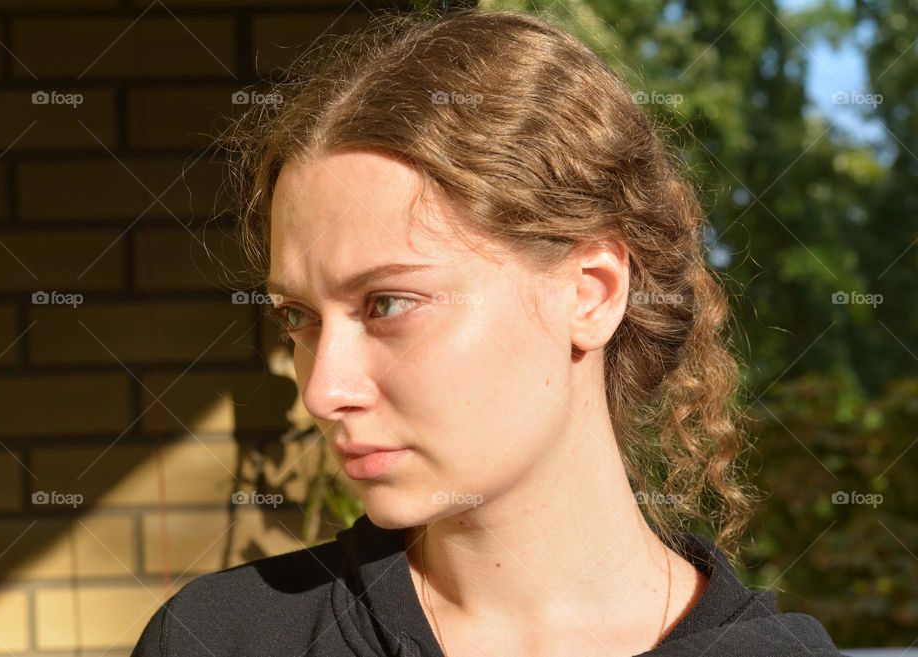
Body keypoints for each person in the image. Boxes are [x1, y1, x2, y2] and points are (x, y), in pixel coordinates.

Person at [132, 8, 845, 657]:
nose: (322, 390)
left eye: (387, 304)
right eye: (299, 317)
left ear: (590, 293)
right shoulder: (223, 638)